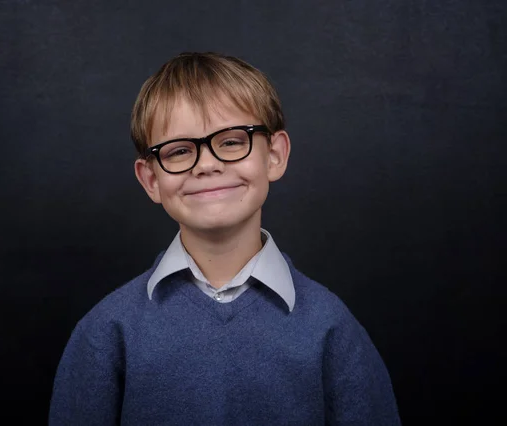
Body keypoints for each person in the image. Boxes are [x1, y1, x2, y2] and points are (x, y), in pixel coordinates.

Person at [49, 51, 401, 425]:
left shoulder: (331, 326)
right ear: (151, 180)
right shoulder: (107, 331)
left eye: (233, 141)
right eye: (180, 150)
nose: (207, 164)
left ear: (275, 156)